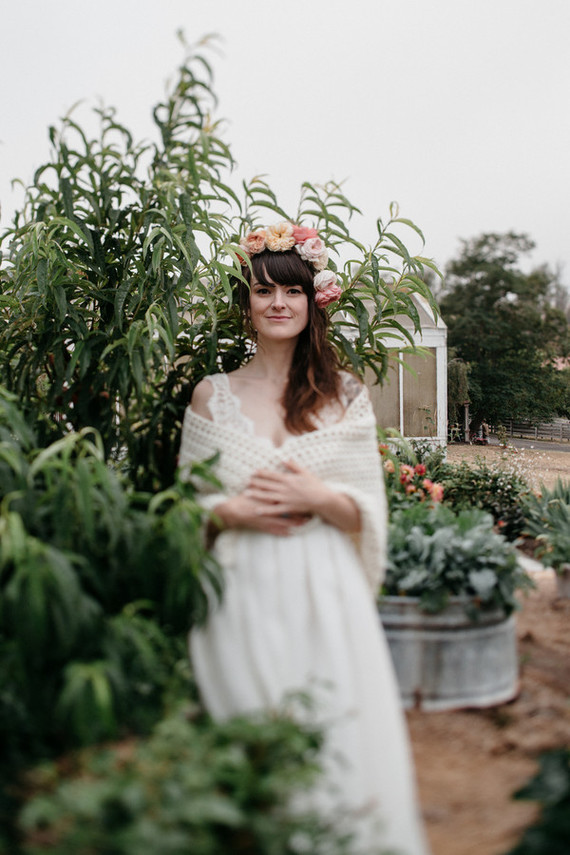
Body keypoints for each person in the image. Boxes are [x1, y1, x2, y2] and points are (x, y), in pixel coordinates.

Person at [178, 221, 430, 855]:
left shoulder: (343, 396)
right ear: (247, 305)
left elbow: (364, 511)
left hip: (325, 594)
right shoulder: (212, 397)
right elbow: (183, 507)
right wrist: (231, 514)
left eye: (291, 291)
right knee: (254, 736)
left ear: (313, 300)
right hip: (240, 591)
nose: (278, 303)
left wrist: (317, 498)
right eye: (263, 292)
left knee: (337, 735)